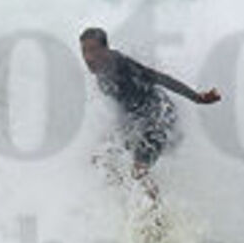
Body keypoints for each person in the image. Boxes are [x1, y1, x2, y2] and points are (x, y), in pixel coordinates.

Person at [78, 27, 221, 200]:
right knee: (100, 158)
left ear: (106, 49)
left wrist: (197, 97)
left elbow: (159, 78)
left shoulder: (121, 65)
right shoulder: (101, 74)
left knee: (139, 171)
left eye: (93, 50)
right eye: (84, 51)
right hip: (138, 120)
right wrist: (117, 132)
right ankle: (127, 201)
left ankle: (158, 212)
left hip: (160, 117)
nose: (88, 57)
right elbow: (125, 105)